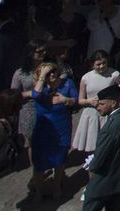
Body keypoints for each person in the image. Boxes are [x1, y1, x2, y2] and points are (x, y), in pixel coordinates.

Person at [82, 84, 120, 211]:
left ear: (113, 103)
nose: (97, 107)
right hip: (118, 178)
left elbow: (101, 154)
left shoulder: (111, 127)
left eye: (101, 104)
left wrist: (92, 166)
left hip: (103, 180)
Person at [29, 57, 76, 201]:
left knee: (60, 159)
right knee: (39, 162)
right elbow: (35, 95)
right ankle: (38, 191)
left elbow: (75, 100)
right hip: (43, 129)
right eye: (49, 73)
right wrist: (42, 76)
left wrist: (65, 100)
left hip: (61, 127)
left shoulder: (67, 84)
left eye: (54, 71)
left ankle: (57, 186)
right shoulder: (40, 89)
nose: (52, 74)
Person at [71, 50, 119, 161]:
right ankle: (92, 174)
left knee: (110, 147)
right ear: (92, 64)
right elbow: (80, 100)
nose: (102, 66)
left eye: (104, 63)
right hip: (92, 114)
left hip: (108, 114)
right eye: (98, 64)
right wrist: (89, 101)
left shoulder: (114, 75)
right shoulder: (86, 78)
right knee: (92, 148)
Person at [86, 0, 120, 66]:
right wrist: (102, 16)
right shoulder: (93, 14)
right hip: (100, 51)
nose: (105, 1)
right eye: (102, 0)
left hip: (118, 47)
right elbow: (91, 26)